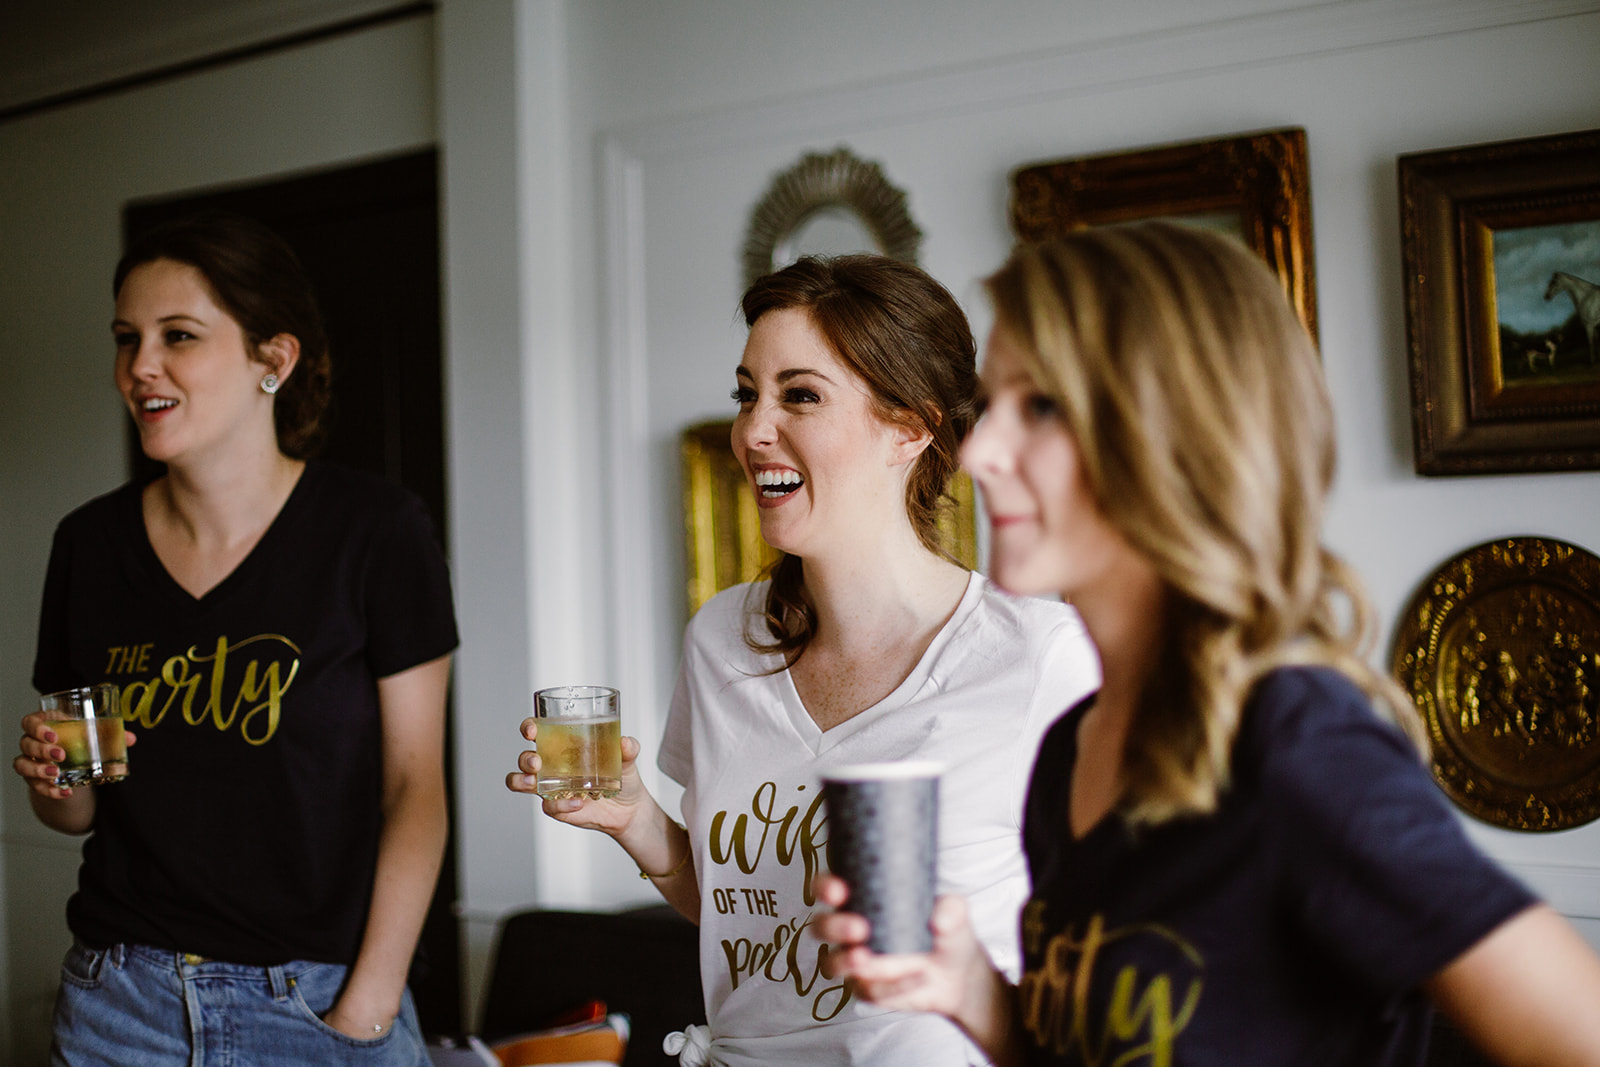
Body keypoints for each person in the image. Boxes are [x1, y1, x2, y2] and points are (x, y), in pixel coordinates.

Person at [816, 221, 1600, 1065]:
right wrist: (971, 988)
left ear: (1171, 436)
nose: (978, 450)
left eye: (1039, 406)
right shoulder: (1068, 756)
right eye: (992, 403)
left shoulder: (1294, 738)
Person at [507, 254, 1099, 1066]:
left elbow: (1107, 952)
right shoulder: (721, 640)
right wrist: (636, 818)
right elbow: (742, 911)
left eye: (801, 394)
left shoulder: (1037, 657)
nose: (753, 430)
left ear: (911, 425)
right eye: (748, 392)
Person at [13, 212, 458, 1065]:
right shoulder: (88, 546)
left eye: (178, 335)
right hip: (120, 1006)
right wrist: (51, 776)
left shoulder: (376, 533)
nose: (140, 366)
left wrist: (368, 1002)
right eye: (126, 338)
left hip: (320, 1001)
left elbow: (415, 790)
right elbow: (76, 805)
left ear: (273, 360)